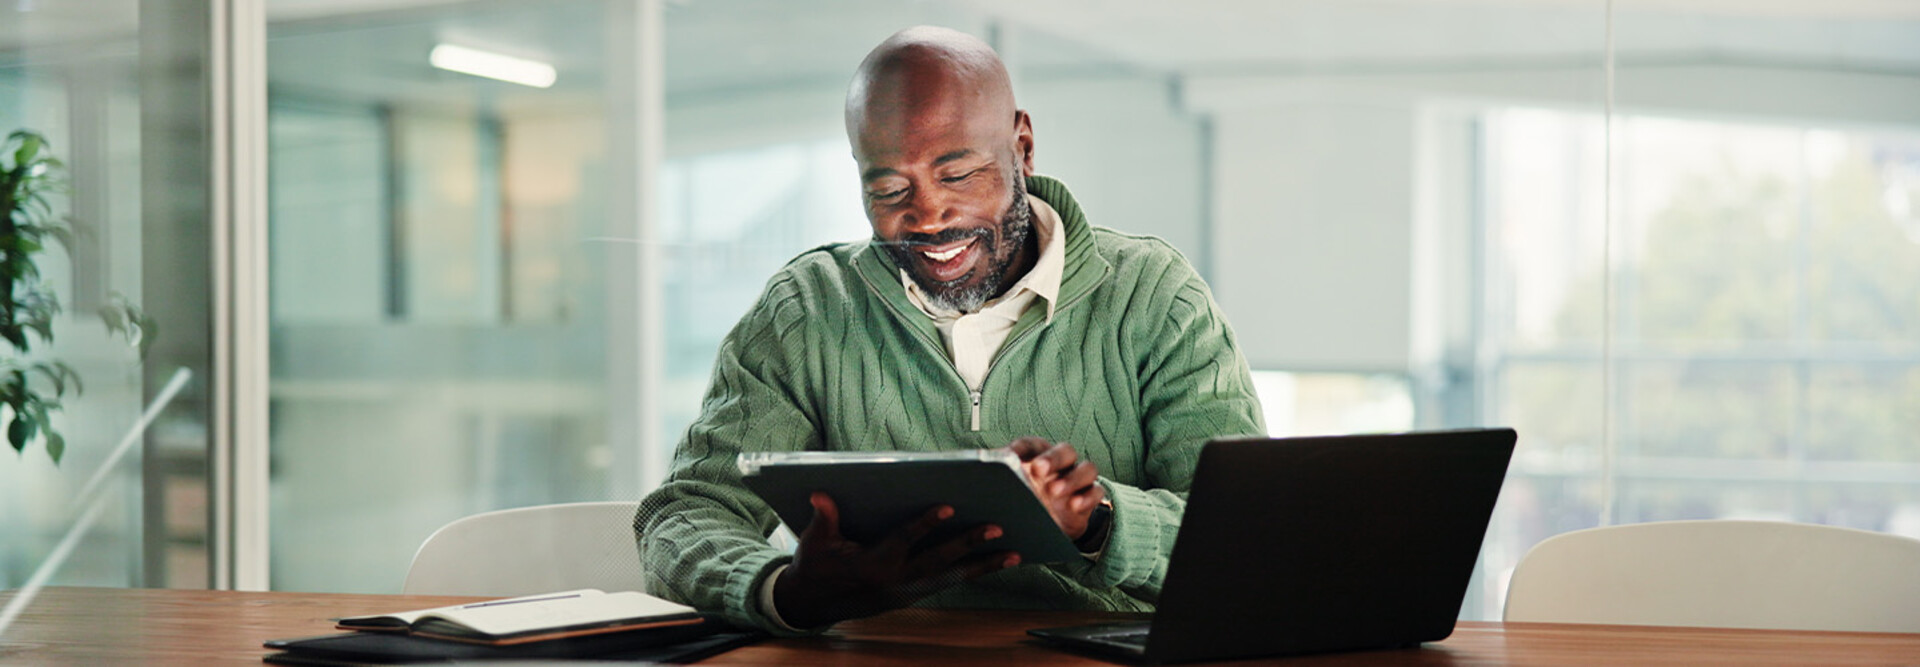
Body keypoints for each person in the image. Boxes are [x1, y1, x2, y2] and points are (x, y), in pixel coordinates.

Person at [634, 25, 1263, 635]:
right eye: (887, 188)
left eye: (958, 175)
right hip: (877, 656)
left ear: (1022, 145)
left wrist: (1095, 520)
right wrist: (784, 590)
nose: (928, 215)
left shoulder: (1154, 296)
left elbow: (1245, 545)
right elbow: (683, 513)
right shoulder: (807, 307)